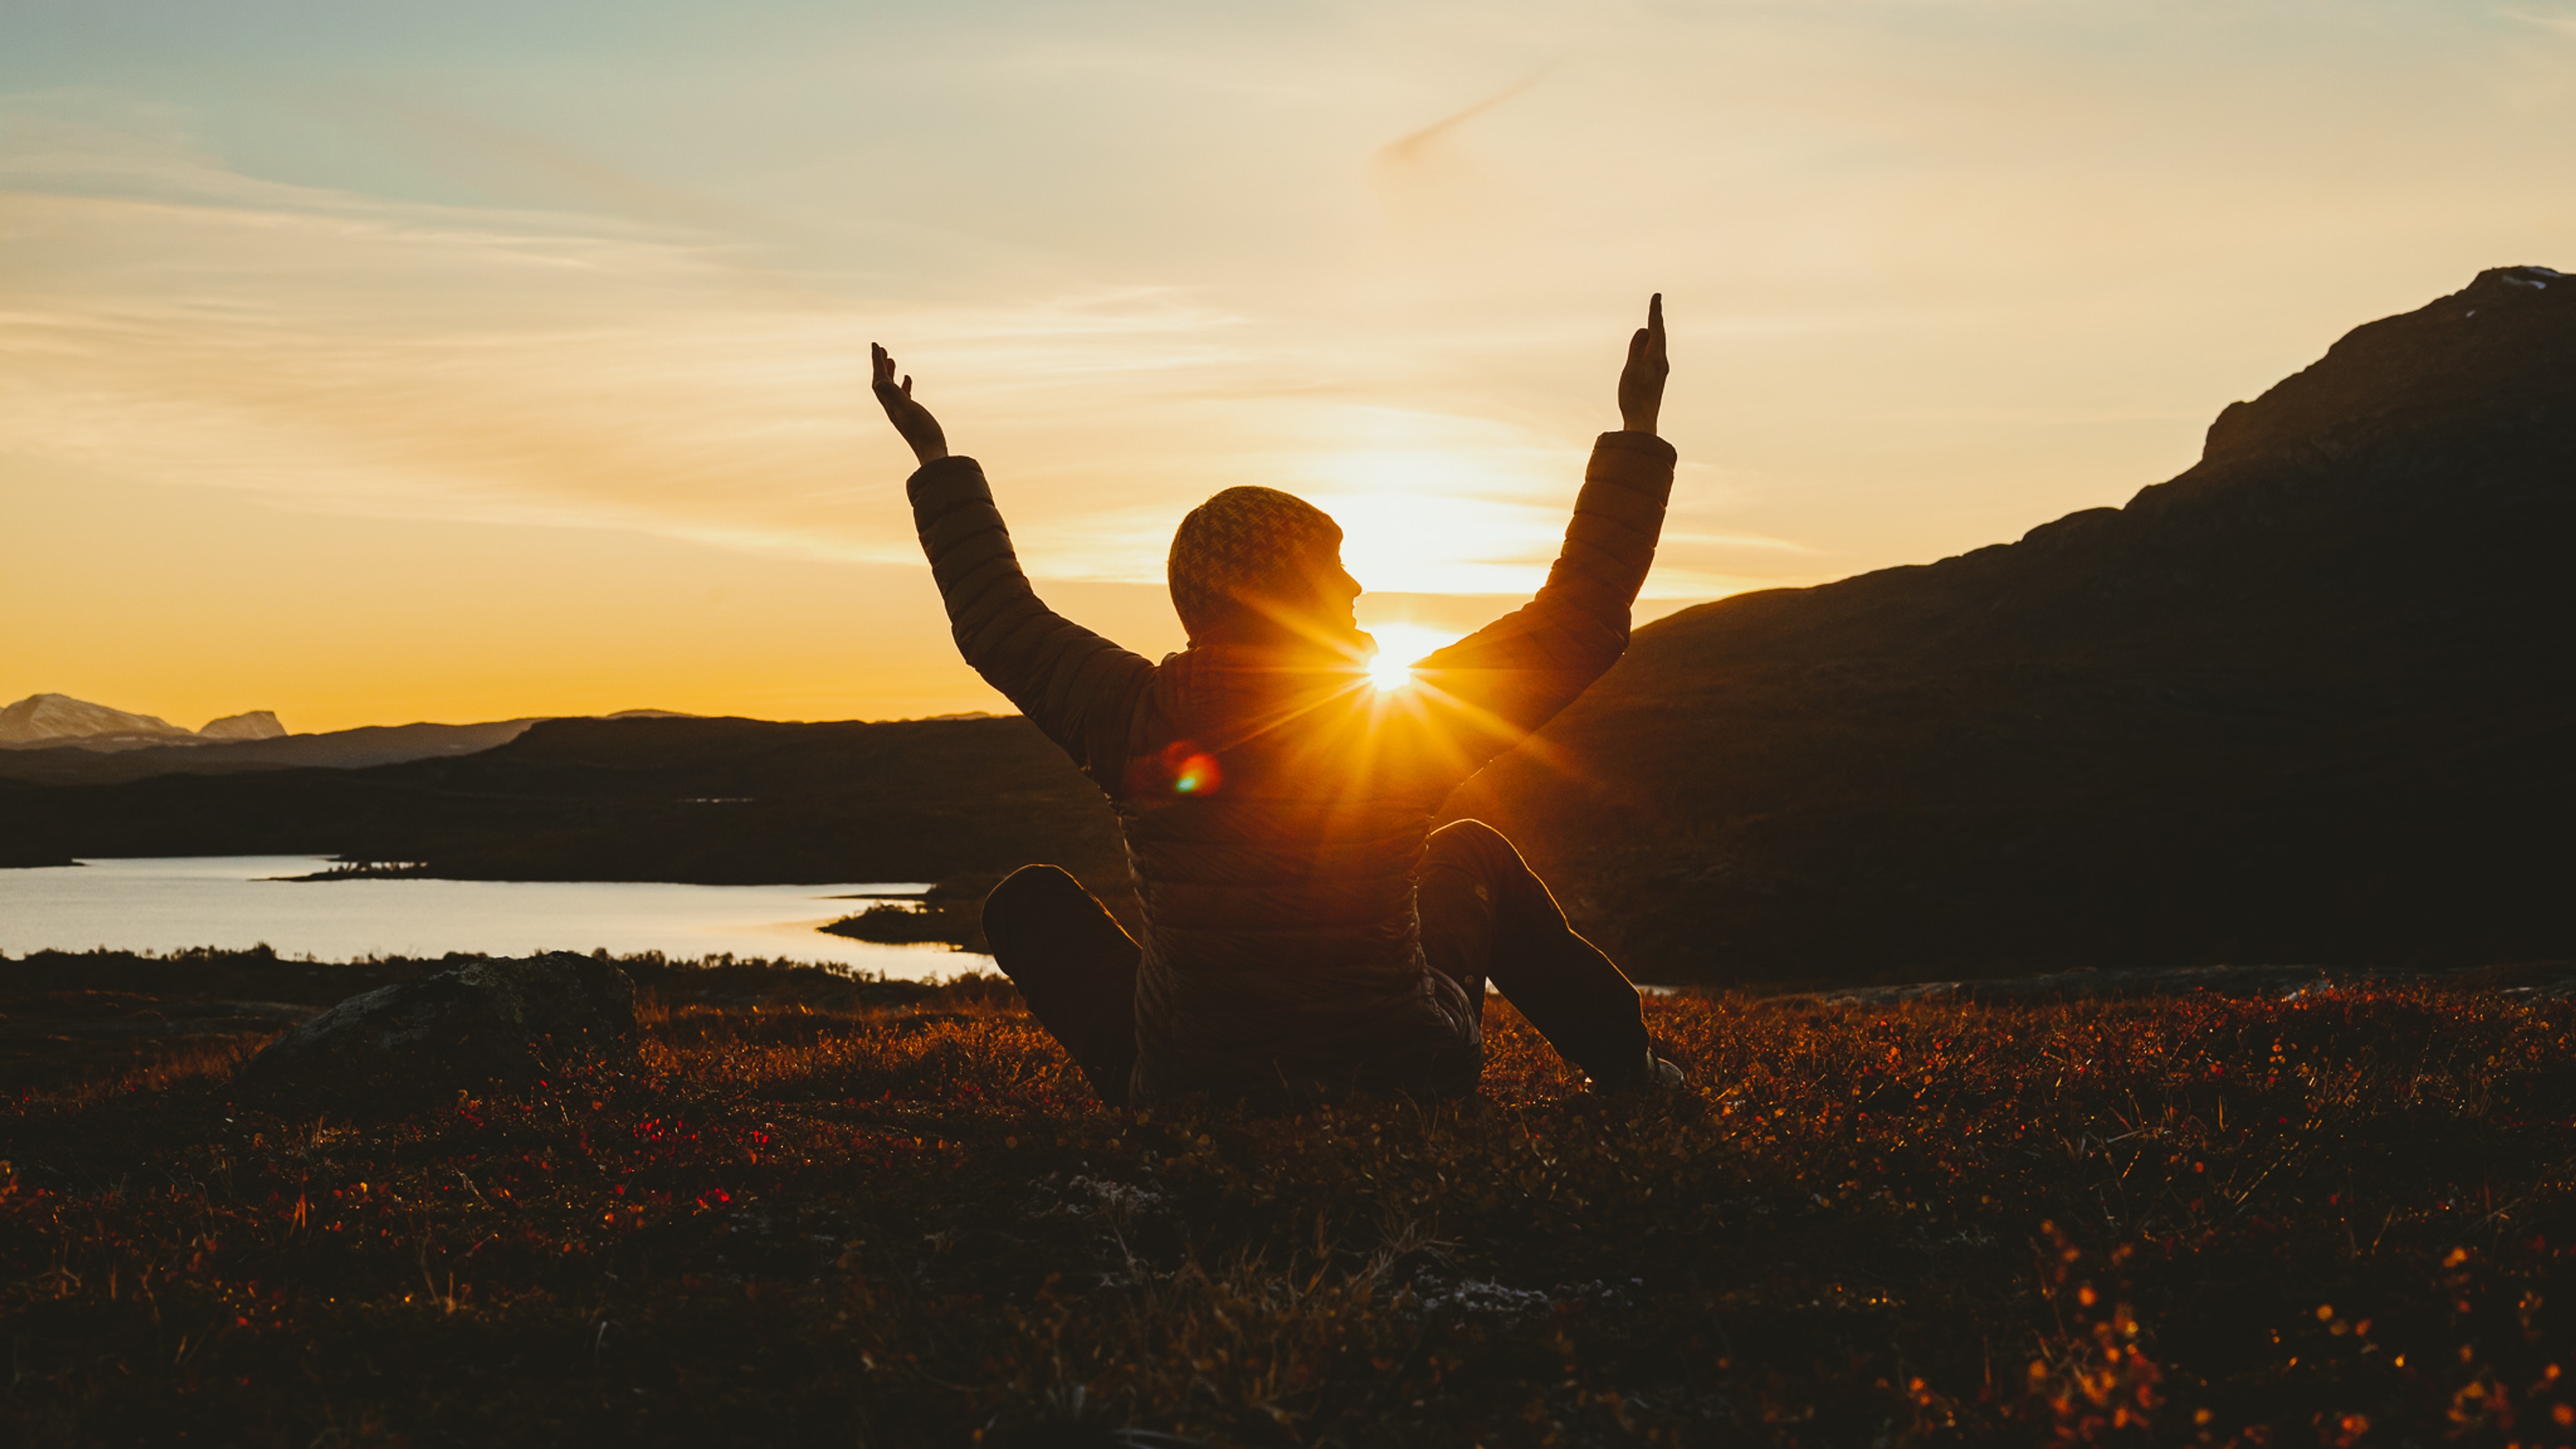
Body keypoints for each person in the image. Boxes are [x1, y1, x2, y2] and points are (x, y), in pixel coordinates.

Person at [871, 296, 1684, 1108]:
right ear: (1287, 593)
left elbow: (1000, 620)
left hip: (1193, 1087)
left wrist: (937, 461)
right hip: (1401, 1075)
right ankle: (1632, 1075)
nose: (1355, 583)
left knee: (1027, 904)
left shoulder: (1130, 715)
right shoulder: (1396, 728)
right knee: (1470, 853)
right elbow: (1575, 622)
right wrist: (1636, 434)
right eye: (1332, 566)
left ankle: (1156, 1091)